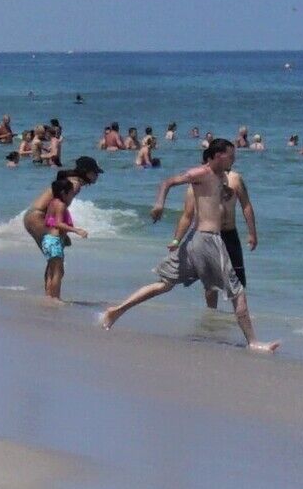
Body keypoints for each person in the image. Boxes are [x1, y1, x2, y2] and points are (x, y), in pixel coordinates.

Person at [98, 139, 271, 349]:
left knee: (164, 284)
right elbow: (167, 182)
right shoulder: (202, 173)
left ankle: (116, 311)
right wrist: (159, 204)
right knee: (237, 292)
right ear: (218, 156)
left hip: (195, 240)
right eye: (230, 155)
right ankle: (253, 342)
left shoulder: (221, 178)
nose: (234, 159)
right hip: (209, 239)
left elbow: (216, 200)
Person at [22, 167, 83, 301]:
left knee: (52, 269)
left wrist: (65, 235)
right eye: (71, 193)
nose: (73, 196)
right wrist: (76, 230)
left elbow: (50, 221)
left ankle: (49, 297)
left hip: (48, 239)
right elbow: (58, 224)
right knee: (58, 271)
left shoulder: (52, 204)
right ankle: (55, 299)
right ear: (64, 193)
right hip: (53, 240)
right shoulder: (60, 205)